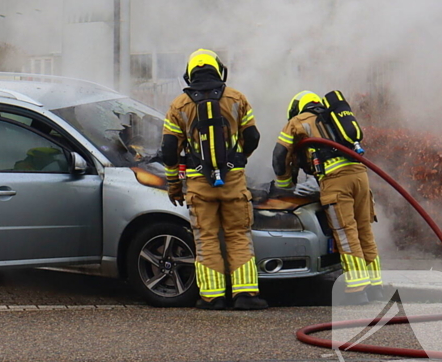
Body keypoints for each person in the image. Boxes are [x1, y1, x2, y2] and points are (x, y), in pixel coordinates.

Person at [160, 49, 267, 310]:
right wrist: (238, 159)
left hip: (198, 184)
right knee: (238, 235)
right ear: (220, 70)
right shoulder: (236, 98)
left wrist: (174, 185)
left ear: (189, 74)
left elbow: (169, 151)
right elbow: (252, 136)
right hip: (233, 181)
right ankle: (245, 295)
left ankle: (212, 296)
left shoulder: (179, 105)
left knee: (206, 238)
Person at [272, 91, 382, 304]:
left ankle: (357, 289)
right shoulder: (332, 118)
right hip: (360, 176)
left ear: (296, 108)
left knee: (346, 234)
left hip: (336, 181)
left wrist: (285, 186)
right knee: (364, 231)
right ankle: (376, 286)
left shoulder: (298, 122)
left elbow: (280, 156)